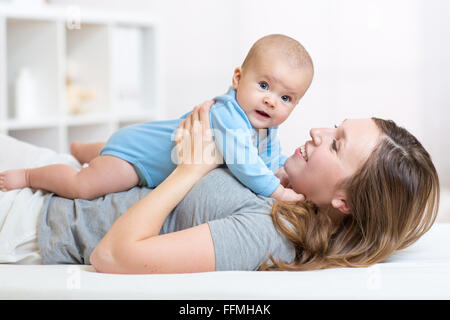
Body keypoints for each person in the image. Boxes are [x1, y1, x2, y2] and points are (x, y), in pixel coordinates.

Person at [0, 34, 314, 202]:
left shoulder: (265, 129)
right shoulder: (226, 115)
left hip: (146, 140)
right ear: (237, 78)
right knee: (85, 186)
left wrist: (284, 173)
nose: (271, 101)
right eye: (263, 86)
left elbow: (271, 161)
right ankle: (30, 176)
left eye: (286, 98)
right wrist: (279, 192)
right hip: (140, 161)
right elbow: (247, 165)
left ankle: (84, 149)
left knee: (108, 149)